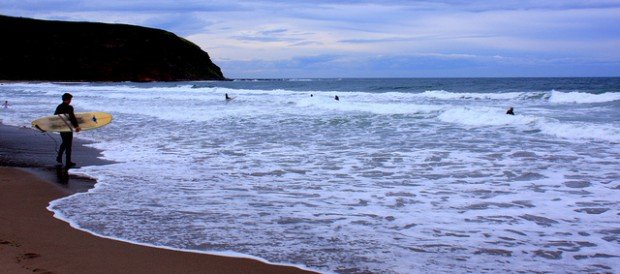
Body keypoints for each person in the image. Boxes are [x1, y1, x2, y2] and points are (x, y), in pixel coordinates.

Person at [55, 93, 81, 168]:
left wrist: (56, 127)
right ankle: (67, 162)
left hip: (62, 128)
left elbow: (54, 118)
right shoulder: (70, 107)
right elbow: (72, 117)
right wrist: (76, 126)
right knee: (68, 145)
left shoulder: (59, 107)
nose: (70, 100)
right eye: (70, 99)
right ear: (68, 99)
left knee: (65, 143)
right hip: (68, 128)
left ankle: (59, 157)